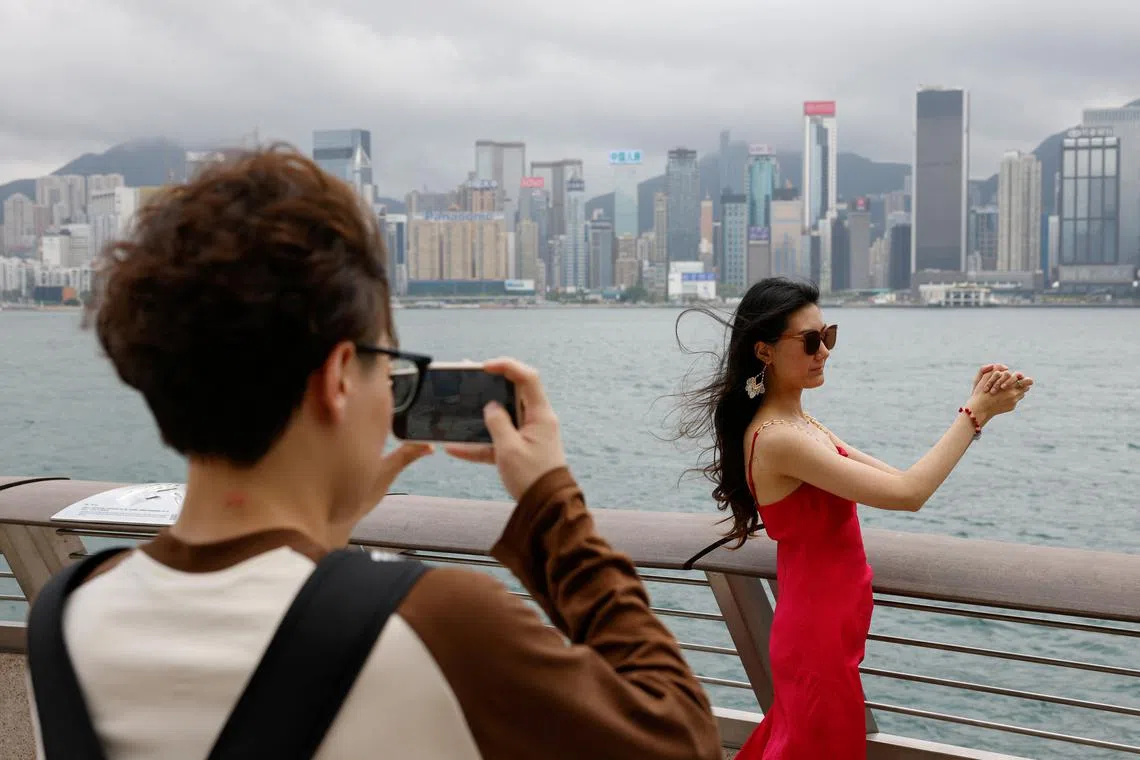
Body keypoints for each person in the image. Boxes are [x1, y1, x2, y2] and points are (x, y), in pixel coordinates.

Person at [27, 146, 722, 760]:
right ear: (336, 378)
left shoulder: (64, 617)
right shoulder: (439, 623)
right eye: (385, 364)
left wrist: (325, 527)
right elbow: (679, 739)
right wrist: (552, 504)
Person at [674, 277, 1032, 759]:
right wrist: (975, 414)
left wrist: (977, 403)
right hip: (815, 645)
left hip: (826, 637)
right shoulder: (780, 438)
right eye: (809, 341)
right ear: (764, 351)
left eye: (828, 335)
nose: (824, 351)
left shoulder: (802, 425)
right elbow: (909, 495)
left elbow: (903, 479)